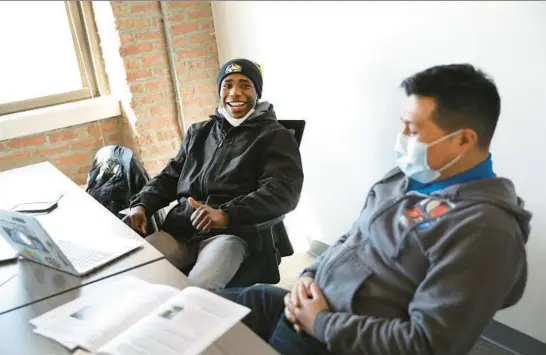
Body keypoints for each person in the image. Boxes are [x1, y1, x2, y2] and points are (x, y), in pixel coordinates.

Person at [218, 64, 531, 355]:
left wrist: (322, 324)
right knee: (200, 307)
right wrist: (308, 276)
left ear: (463, 140)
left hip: (335, 339)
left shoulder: (485, 230)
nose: (402, 139)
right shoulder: (408, 176)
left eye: (413, 129)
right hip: (312, 308)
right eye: (403, 125)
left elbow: (428, 343)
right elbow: (353, 237)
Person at [125, 58, 304, 290]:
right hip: (181, 230)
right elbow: (170, 177)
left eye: (245, 85)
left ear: (257, 93)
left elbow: (283, 192)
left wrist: (225, 214)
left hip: (230, 235)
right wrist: (142, 206)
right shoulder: (199, 132)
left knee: (194, 295)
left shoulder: (275, 137)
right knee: (129, 274)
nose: (235, 93)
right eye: (227, 85)